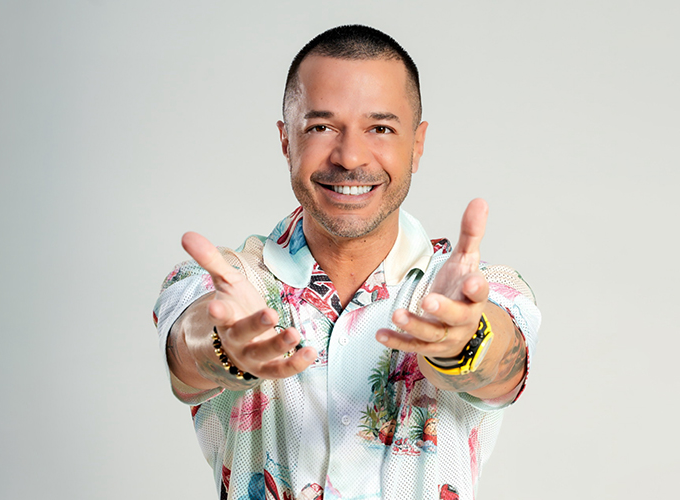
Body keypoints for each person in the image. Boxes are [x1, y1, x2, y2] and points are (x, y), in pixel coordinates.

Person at [153, 25, 540, 500]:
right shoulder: (226, 282)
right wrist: (225, 347)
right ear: (286, 141)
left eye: (381, 128)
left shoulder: (479, 290)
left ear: (417, 144)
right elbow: (187, 348)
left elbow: (501, 368)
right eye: (321, 127)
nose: (351, 156)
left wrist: (464, 343)